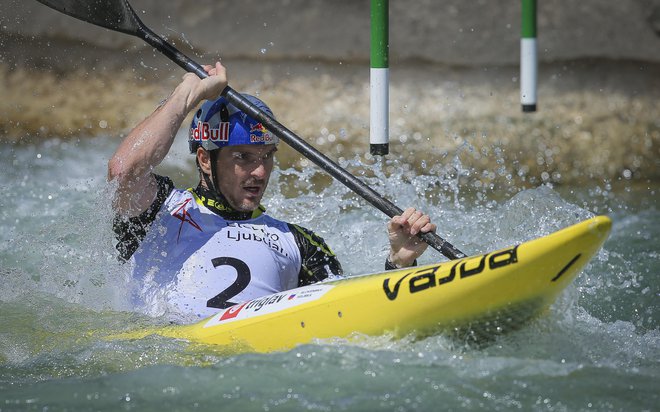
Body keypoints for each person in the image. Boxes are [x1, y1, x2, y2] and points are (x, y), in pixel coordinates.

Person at [108, 62, 436, 320]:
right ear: (206, 159)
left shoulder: (299, 243)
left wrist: (399, 263)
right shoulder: (158, 210)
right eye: (244, 157)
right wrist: (187, 95)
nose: (260, 171)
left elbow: (350, 319)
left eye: (267, 157)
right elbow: (124, 170)